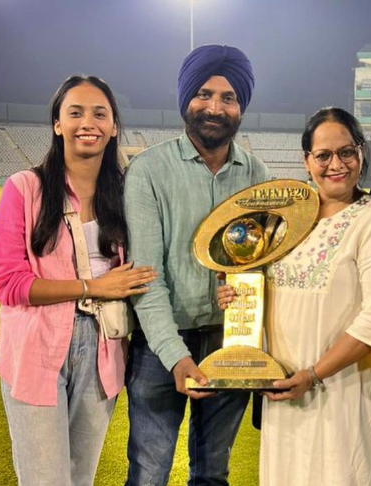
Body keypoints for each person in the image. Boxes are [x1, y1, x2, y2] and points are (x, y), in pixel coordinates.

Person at [0, 75, 157, 486]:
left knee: (80, 477)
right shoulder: (25, 188)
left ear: (114, 126)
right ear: (57, 124)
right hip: (36, 349)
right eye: (75, 112)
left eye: (100, 114)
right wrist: (92, 287)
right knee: (45, 479)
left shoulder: (127, 193)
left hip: (104, 350)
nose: (88, 122)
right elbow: (6, 283)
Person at [218, 107, 371, 486]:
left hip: (345, 392)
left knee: (341, 473)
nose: (337, 165)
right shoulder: (283, 222)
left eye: (347, 152)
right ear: (306, 161)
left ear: (362, 154)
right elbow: (265, 292)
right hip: (283, 389)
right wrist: (237, 296)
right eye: (324, 155)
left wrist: (314, 374)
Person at [123, 44, 270, 486]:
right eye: (204, 94)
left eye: (228, 98)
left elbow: (263, 262)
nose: (215, 107)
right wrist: (175, 357)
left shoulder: (257, 174)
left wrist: (246, 285)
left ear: (241, 106)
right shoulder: (149, 170)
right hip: (159, 344)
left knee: (213, 472)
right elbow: (146, 277)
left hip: (231, 338)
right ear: (186, 98)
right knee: (149, 473)